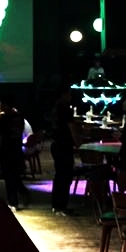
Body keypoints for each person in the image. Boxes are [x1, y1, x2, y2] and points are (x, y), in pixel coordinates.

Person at [0, 97, 32, 210]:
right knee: (15, 175)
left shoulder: (3, 119)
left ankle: (13, 202)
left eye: (1, 104)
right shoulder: (20, 117)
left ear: (6, 105)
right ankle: (21, 193)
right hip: (17, 149)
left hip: (6, 150)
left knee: (8, 177)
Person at [50, 84, 76, 216]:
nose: (70, 96)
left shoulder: (55, 108)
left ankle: (56, 205)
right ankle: (61, 205)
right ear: (64, 94)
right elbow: (72, 128)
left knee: (59, 175)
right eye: (69, 94)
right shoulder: (66, 109)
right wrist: (79, 144)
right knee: (65, 176)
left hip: (56, 144)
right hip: (64, 145)